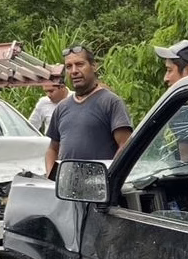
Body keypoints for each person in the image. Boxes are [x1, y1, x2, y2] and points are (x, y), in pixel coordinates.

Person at [45, 46, 133, 176]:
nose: (74, 71)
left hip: (99, 190)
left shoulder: (110, 102)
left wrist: (110, 178)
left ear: (94, 66)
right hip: (68, 190)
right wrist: (51, 178)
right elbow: (52, 149)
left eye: (80, 64)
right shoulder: (61, 107)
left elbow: (125, 145)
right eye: (69, 66)